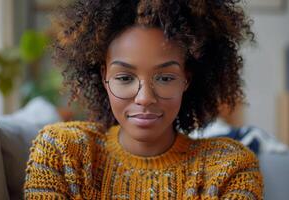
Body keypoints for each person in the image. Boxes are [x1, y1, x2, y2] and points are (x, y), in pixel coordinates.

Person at [24, 0, 263, 199]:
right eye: (125, 77)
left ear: (186, 79)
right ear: (104, 77)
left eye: (166, 78)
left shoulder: (230, 167)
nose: (145, 98)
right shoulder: (62, 151)